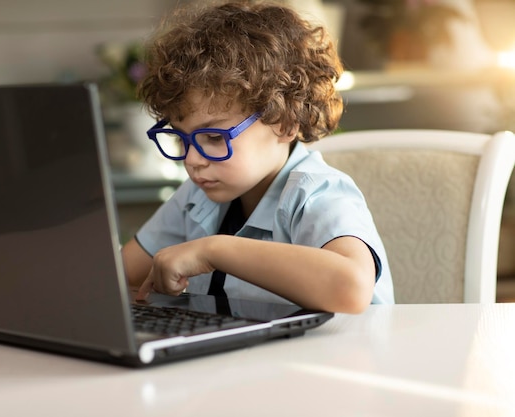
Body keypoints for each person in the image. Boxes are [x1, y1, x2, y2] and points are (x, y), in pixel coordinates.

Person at [122, 0, 394, 313]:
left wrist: (214, 250)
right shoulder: (198, 195)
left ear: (285, 123)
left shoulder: (316, 194)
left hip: (340, 360)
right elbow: (122, 274)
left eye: (213, 137)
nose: (192, 160)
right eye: (182, 138)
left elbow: (351, 289)